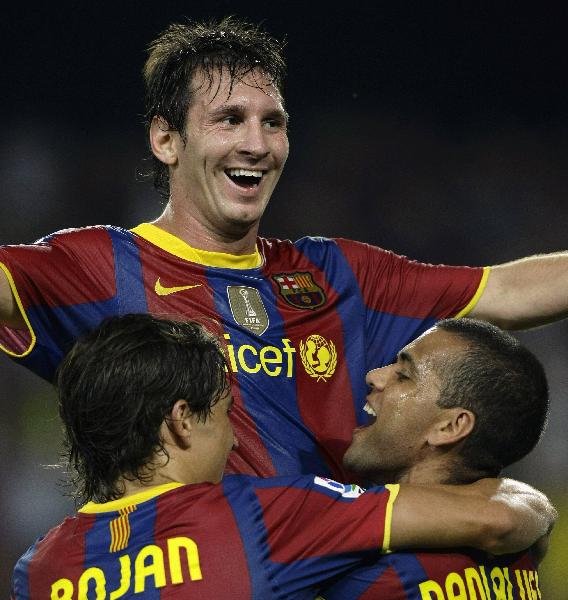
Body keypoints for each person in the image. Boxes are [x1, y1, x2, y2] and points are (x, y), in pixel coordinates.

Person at [1, 17, 567, 483]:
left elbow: (509, 290)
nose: (256, 144)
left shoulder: (337, 273)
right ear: (166, 140)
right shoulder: (95, 268)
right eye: (229, 120)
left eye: (273, 122)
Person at [11, 314, 554, 599]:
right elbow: (498, 518)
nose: (234, 441)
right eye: (225, 416)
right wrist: (539, 509)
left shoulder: (37, 568)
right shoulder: (265, 518)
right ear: (180, 421)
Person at [319, 318, 551, 599]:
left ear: (449, 427)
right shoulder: (523, 546)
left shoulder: (343, 546)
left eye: (404, 375)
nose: (374, 376)